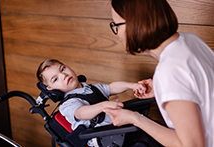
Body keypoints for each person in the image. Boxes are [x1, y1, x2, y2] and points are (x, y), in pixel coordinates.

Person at [104, 0, 214, 147]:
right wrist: (162, 89)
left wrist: (135, 119)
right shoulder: (191, 40)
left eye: (116, 25)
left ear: (135, 24)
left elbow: (192, 145)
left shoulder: (168, 70)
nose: (117, 33)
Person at [36, 58, 149, 147]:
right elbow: (81, 113)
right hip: (104, 138)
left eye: (62, 69)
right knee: (145, 139)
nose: (63, 75)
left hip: (119, 127)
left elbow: (112, 87)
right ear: (51, 88)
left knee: (150, 129)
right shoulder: (67, 105)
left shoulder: (89, 89)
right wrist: (102, 106)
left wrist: (132, 85)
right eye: (55, 79)